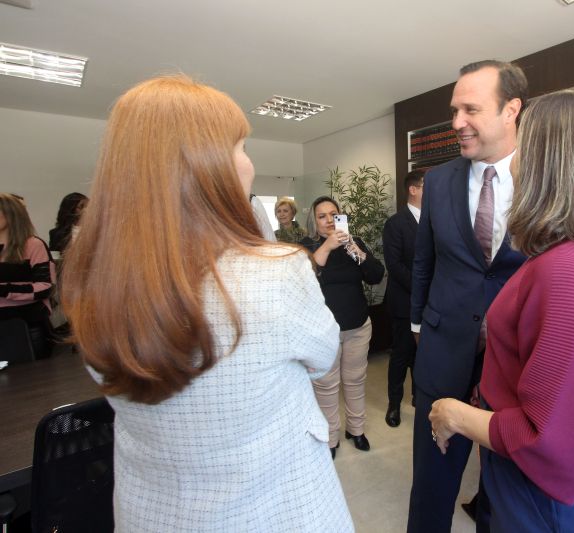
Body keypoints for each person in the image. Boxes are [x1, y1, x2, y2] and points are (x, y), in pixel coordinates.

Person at [59, 75, 353, 532]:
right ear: (207, 165)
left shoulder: (92, 279)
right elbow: (321, 359)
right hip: (278, 510)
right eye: (241, 148)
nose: (249, 165)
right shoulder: (276, 271)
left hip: (152, 515)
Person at [429, 88, 574, 532]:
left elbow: (550, 439)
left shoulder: (572, 271)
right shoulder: (572, 259)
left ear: (550, 162)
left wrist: (454, 414)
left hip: (551, 507)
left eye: (523, 145)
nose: (513, 160)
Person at [407, 60, 528, 533]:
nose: (457, 122)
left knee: (504, 488)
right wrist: (418, 325)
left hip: (515, 357)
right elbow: (424, 260)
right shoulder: (439, 181)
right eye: (454, 110)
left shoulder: (546, 178)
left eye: (470, 110)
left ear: (510, 110)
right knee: (432, 483)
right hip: (442, 351)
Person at [300, 196, 384, 458]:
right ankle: (330, 436)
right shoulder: (306, 246)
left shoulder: (353, 243)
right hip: (323, 331)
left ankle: (356, 430)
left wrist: (354, 249)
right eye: (322, 216)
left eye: (333, 214)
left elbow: (375, 275)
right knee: (326, 385)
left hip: (357, 326)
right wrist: (327, 245)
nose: (328, 220)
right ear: (314, 221)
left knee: (355, 380)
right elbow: (303, 279)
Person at [382, 169, 424, 427]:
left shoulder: (433, 220)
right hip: (404, 302)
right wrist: (422, 287)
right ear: (413, 189)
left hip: (428, 304)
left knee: (423, 356)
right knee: (401, 355)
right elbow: (394, 265)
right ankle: (394, 404)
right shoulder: (395, 223)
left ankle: (419, 398)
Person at [0, 193, 57, 357]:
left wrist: (5, 290)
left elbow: (45, 287)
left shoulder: (33, 245)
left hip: (26, 325)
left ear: (11, 214)